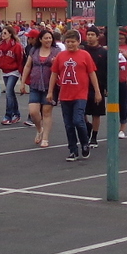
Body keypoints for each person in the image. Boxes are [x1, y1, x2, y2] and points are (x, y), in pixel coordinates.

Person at [48, 29, 100, 161]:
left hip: (80, 94)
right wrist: (50, 92)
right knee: (68, 124)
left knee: (78, 120)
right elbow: (54, 74)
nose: (70, 44)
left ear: (78, 42)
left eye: (73, 42)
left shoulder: (84, 55)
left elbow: (92, 73)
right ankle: (72, 149)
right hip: (65, 94)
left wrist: (97, 91)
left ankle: (84, 143)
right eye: (68, 42)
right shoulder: (61, 56)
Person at [19, 28, 59, 148]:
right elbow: (27, 66)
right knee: (33, 111)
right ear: (40, 39)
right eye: (45, 38)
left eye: (50, 38)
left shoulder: (56, 51)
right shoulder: (34, 50)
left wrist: (54, 62)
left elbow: (59, 67)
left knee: (46, 112)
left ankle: (45, 137)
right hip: (35, 84)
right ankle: (39, 128)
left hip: (49, 85)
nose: (48, 40)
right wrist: (22, 82)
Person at [0, 26, 25, 126]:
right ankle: (16, 114)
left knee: (8, 92)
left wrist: (22, 74)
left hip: (14, 71)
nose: (3, 35)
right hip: (5, 71)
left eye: (5, 33)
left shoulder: (17, 46)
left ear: (10, 34)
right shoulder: (1, 46)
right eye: (2, 33)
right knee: (10, 93)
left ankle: (8, 116)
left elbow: (20, 60)